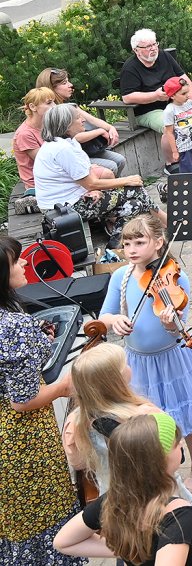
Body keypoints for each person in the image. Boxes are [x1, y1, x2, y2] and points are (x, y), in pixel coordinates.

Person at [98, 213, 192, 494]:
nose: (131, 250)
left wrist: (170, 324)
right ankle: (159, 469)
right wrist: (113, 321)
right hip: (137, 360)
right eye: (126, 243)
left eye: (139, 242)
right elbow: (104, 315)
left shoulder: (175, 277)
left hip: (171, 356)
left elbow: (179, 328)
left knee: (185, 411)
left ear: (158, 242)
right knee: (147, 417)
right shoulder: (121, 275)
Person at [0, 236, 86, 566]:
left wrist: (38, 338)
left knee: (13, 523)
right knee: (41, 518)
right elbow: (24, 400)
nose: (23, 264)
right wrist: (66, 385)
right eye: (15, 262)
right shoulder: (13, 326)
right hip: (23, 440)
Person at [54, 412, 192, 565]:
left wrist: (131, 550)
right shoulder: (177, 514)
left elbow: (63, 541)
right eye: (175, 443)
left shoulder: (114, 500)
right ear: (159, 461)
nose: (181, 445)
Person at [61, 342, 192, 503]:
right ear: (118, 379)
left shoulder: (75, 422)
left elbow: (77, 463)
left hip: (115, 497)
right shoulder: (144, 414)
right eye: (125, 364)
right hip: (159, 494)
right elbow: (173, 452)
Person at [33, 104, 156, 248]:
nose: (83, 120)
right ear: (66, 125)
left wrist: (92, 189)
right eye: (78, 118)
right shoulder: (62, 149)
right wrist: (126, 180)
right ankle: (160, 221)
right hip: (63, 210)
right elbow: (91, 183)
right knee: (133, 189)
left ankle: (116, 246)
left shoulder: (68, 142)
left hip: (72, 200)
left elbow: (85, 177)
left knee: (135, 205)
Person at [120, 29, 192, 173]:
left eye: (154, 44)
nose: (153, 49)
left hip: (176, 102)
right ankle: (171, 163)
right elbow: (127, 97)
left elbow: (183, 77)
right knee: (171, 125)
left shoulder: (163, 56)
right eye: (148, 47)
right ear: (136, 50)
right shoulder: (130, 68)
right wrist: (155, 96)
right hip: (148, 109)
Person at [35, 67, 128, 172]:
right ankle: (104, 187)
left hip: (88, 149)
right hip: (73, 155)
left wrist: (110, 128)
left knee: (120, 160)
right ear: (51, 88)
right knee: (110, 166)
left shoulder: (70, 106)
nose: (70, 85)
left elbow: (92, 120)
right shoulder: (53, 115)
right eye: (64, 83)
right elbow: (72, 139)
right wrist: (100, 131)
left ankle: (112, 187)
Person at [160, 77, 192, 174]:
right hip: (184, 148)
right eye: (183, 94)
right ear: (172, 96)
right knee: (190, 174)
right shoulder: (170, 110)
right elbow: (169, 133)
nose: (187, 95)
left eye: (188, 92)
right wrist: (174, 151)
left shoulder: (190, 103)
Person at [13, 87, 58, 194]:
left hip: (53, 177)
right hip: (40, 184)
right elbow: (47, 162)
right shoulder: (25, 134)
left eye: (54, 102)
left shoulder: (46, 125)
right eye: (49, 103)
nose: (54, 106)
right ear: (33, 107)